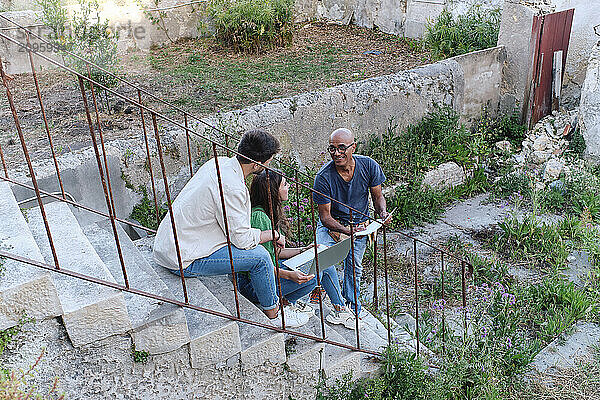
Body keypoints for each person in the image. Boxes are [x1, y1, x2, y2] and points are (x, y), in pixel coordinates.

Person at [153, 130, 309, 328]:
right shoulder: (233, 187)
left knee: (258, 253)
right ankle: (274, 315)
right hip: (181, 258)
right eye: (269, 160)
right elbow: (242, 241)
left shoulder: (219, 163)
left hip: (170, 243)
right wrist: (273, 234)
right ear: (256, 164)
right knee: (260, 258)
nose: (269, 164)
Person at [239, 169, 352, 325]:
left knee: (322, 260)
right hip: (253, 285)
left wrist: (303, 250)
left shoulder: (267, 213)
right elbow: (258, 266)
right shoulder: (259, 218)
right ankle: (286, 303)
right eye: (285, 185)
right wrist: (288, 275)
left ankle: (339, 309)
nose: (289, 187)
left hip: (268, 273)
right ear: (273, 191)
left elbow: (274, 252)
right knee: (316, 274)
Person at [312, 128, 389, 328]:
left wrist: (382, 214)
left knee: (354, 268)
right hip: (334, 227)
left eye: (341, 148)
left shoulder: (368, 165)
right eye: (332, 148)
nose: (336, 153)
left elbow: (378, 196)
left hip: (359, 226)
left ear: (353, 147)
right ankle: (319, 302)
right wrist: (347, 231)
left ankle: (352, 308)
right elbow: (325, 217)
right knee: (323, 260)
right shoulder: (324, 177)